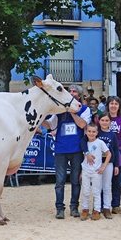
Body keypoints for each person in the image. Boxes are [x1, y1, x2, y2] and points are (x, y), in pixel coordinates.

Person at [43, 84, 91, 219]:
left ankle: (74, 207)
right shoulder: (59, 111)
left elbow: (82, 124)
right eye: (69, 91)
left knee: (76, 180)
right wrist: (42, 116)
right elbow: (50, 125)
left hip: (77, 150)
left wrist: (71, 111)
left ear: (79, 95)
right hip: (60, 150)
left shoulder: (85, 110)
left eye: (74, 91)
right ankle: (59, 208)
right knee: (60, 181)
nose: (71, 93)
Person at [80, 113, 119, 219]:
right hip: (88, 168)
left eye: (107, 120)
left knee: (104, 188)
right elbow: (83, 145)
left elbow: (113, 151)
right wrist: (87, 154)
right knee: (87, 190)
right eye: (102, 120)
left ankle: (104, 209)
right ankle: (86, 209)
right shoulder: (86, 138)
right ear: (99, 121)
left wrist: (115, 164)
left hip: (104, 165)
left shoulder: (110, 136)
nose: (104, 122)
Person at [106, 96, 121, 214]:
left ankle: (116, 205)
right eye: (111, 103)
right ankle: (103, 205)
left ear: (119, 106)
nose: (113, 106)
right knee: (103, 181)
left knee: (117, 180)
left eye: (116, 103)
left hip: (118, 152)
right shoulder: (103, 118)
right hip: (104, 152)